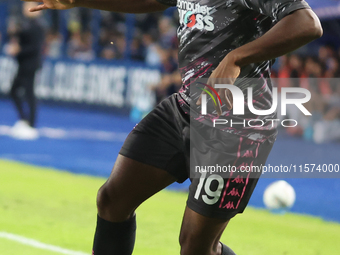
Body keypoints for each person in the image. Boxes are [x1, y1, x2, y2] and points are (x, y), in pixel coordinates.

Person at [24, 0, 322, 254]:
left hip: (238, 126)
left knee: (195, 246)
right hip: (187, 107)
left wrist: (237, 57)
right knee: (112, 200)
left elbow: (307, 23)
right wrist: (80, 1)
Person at [8, 2, 45, 140]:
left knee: (29, 92)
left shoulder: (37, 26)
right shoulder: (24, 24)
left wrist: (18, 51)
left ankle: (32, 125)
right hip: (23, 63)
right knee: (14, 90)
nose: (26, 9)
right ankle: (24, 120)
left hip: (30, 63)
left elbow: (35, 48)